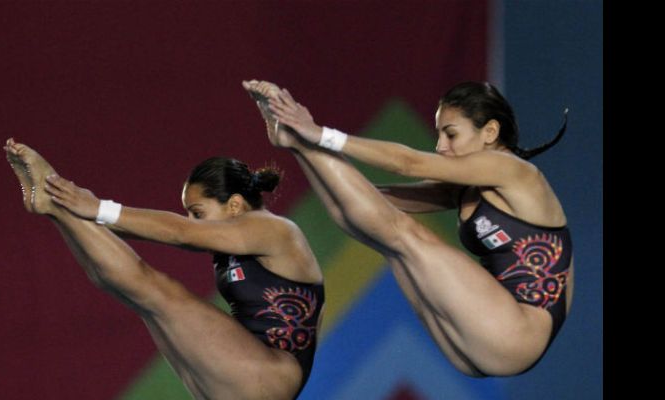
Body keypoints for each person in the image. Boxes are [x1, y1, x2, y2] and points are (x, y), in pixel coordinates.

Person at [242, 80, 572, 377]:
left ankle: (303, 141)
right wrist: (306, 149)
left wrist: (321, 135)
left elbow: (408, 163)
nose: (441, 146)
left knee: (402, 234)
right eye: (440, 134)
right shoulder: (466, 187)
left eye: (451, 134)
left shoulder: (514, 171)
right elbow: (371, 204)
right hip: (481, 343)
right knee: (379, 233)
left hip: (516, 333)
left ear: (489, 132)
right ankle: (295, 144)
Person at [2, 138, 325, 400]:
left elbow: (179, 232)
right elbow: (173, 234)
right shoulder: (233, 238)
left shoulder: (275, 229)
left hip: (267, 380)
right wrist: (77, 211)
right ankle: (54, 208)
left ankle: (55, 200)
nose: (191, 221)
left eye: (197, 212)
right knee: (137, 295)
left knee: (160, 292)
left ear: (235, 204)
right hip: (237, 384)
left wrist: (98, 207)